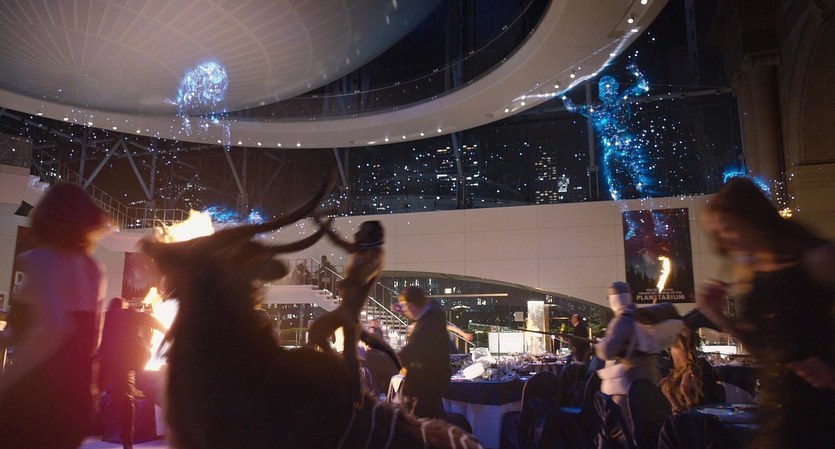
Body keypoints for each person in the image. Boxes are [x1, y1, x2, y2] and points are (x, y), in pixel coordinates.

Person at [697, 177, 835, 449]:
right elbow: (764, 349)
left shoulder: (815, 257)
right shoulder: (749, 270)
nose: (724, 240)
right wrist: (720, 316)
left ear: (755, 219)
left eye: (728, 228)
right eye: (717, 233)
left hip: (823, 401)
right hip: (779, 401)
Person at [0, 183, 110, 449]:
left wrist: (7, 380)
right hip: (76, 401)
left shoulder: (40, 260)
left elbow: (55, 327)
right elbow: (89, 340)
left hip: (35, 398)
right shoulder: (94, 269)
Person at [97, 297, 167, 449]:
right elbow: (149, 319)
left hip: (105, 362)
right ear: (122, 305)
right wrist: (167, 332)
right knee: (127, 401)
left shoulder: (105, 315)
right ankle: (127, 441)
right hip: (124, 363)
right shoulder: (127, 314)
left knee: (100, 394)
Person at [595, 281, 661, 426]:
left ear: (614, 299)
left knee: (625, 425)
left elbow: (607, 352)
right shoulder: (642, 316)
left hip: (629, 382)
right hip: (650, 378)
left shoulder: (622, 320)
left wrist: (600, 344)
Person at [397, 286, 451, 418]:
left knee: (418, 420)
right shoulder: (432, 317)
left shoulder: (428, 323)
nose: (404, 310)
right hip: (431, 379)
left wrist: (391, 358)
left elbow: (415, 349)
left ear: (411, 304)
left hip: (426, 381)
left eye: (404, 306)